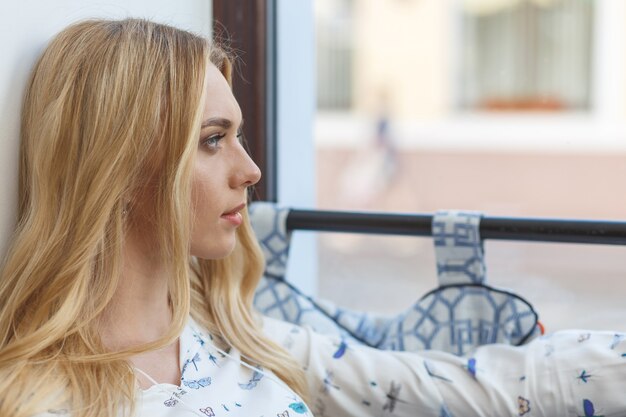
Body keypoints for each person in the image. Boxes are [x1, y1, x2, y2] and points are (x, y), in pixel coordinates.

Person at [0, 18, 624, 417]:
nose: (252, 171)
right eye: (213, 139)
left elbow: (460, 387)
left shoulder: (237, 336)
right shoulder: (39, 400)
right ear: (120, 163)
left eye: (238, 136)